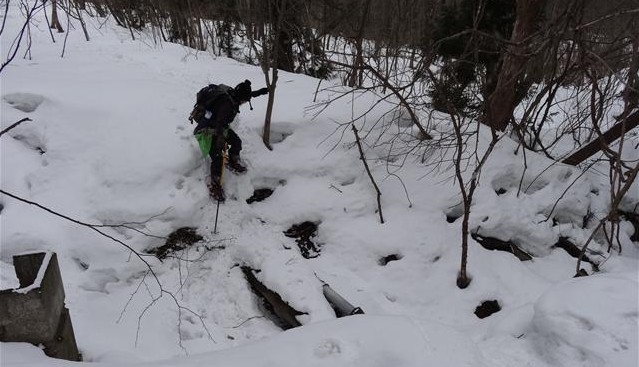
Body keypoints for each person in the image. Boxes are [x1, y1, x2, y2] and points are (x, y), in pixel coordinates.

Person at [190, 80, 268, 202]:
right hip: (209, 129)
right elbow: (219, 124)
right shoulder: (227, 105)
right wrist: (220, 140)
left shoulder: (233, 93)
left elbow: (248, 94)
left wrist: (261, 92)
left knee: (237, 142)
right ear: (241, 98)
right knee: (218, 157)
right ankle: (215, 185)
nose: (244, 103)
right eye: (245, 101)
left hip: (220, 126)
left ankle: (233, 160)